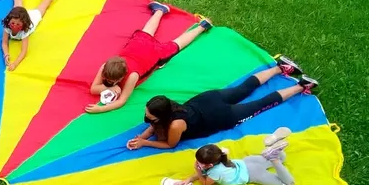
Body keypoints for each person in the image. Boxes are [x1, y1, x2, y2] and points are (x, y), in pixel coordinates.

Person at [127, 56, 315, 151]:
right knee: (243, 89)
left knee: (260, 103)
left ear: (162, 115)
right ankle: (280, 67)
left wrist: (144, 143)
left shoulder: (176, 124)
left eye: (149, 116)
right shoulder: (167, 106)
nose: (147, 119)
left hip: (219, 116)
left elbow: (170, 144)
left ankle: (301, 86)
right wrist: (141, 136)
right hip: (207, 100)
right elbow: (154, 125)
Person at [86, 3, 212, 114]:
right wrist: (111, 87)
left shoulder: (132, 76)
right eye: (107, 79)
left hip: (152, 55)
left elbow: (122, 100)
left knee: (175, 45)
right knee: (145, 33)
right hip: (136, 47)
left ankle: (202, 27)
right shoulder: (105, 67)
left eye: (113, 81)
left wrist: (101, 109)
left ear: (121, 77)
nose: (109, 82)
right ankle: (160, 10)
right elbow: (93, 89)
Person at [175, 128, 294, 185]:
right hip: (247, 161)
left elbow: (205, 183)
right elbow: (204, 171)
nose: (197, 164)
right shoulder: (220, 154)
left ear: (210, 165)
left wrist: (197, 170)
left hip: (252, 173)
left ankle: (273, 159)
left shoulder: (215, 172)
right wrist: (190, 179)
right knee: (283, 157)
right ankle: (272, 145)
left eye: (199, 163)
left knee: (287, 183)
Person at [1, 0, 68, 72]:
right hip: (20, 15)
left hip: (31, 18)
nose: (14, 26)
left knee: (44, 4)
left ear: (23, 25)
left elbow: (24, 51)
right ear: (9, 20)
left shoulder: (25, 29)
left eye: (17, 24)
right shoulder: (8, 25)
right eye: (13, 23)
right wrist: (6, 55)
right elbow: (4, 43)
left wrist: (15, 63)